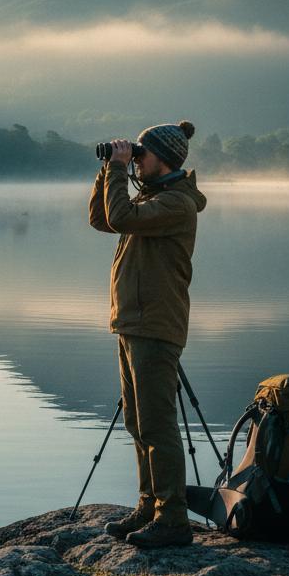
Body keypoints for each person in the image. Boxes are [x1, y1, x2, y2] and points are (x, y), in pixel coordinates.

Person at [88, 120, 206, 549]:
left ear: (166, 158)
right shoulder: (152, 197)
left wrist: (120, 170)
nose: (136, 158)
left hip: (156, 325)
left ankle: (173, 519)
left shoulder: (176, 204)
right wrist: (108, 170)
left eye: (142, 153)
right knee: (138, 423)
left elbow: (121, 217)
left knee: (157, 425)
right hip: (133, 322)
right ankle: (148, 505)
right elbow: (103, 219)